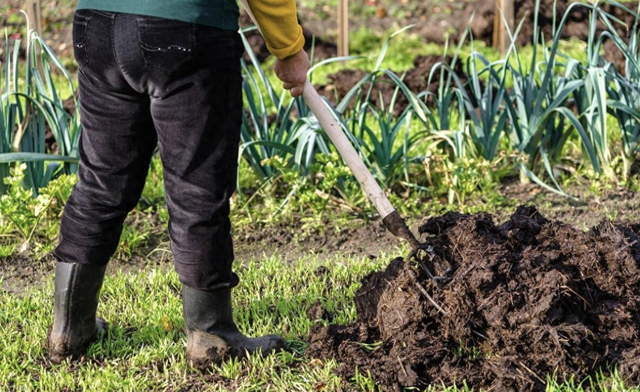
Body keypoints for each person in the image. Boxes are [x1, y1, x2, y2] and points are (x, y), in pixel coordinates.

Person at [47, 0, 310, 368]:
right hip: (185, 27)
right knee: (197, 187)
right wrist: (289, 48)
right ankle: (211, 336)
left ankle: (69, 329)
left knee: (100, 181)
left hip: (98, 24)